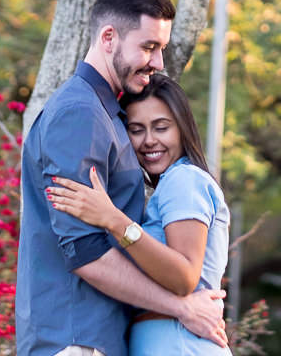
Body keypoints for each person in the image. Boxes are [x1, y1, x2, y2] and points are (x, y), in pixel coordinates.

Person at [16, 0, 227, 356]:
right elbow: (84, 251)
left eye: (160, 48)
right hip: (77, 340)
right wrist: (182, 307)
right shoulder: (80, 114)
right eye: (149, 47)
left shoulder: (107, 113)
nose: (158, 62)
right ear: (109, 38)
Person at [47, 74, 232, 356]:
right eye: (136, 130)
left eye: (161, 127)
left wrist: (113, 220)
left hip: (180, 343)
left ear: (182, 129)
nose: (149, 141)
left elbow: (184, 278)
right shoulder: (167, 188)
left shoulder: (184, 179)